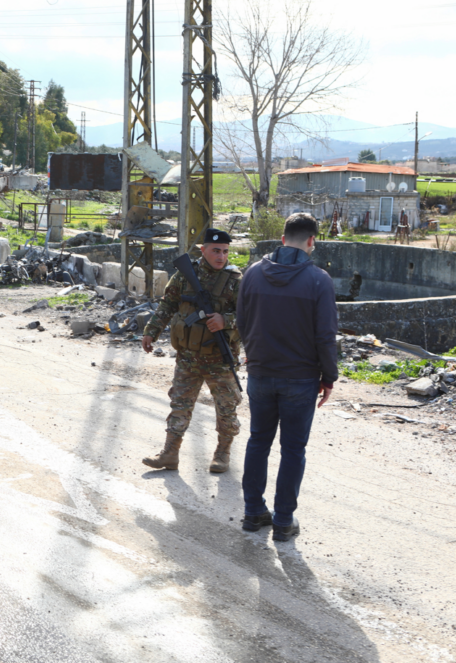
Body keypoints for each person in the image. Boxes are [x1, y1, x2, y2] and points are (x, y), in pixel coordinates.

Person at [237, 212, 338, 542]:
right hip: (300, 378)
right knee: (293, 449)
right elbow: (325, 336)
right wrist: (329, 377)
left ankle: (253, 512)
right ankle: (283, 520)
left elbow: (242, 322)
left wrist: (255, 355)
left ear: (282, 239)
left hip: (260, 373)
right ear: (312, 241)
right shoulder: (319, 280)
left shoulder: (252, 273)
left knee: (258, 441)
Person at [141, 229, 242, 473]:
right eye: (215, 251)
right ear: (203, 250)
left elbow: (252, 315)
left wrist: (226, 320)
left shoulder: (236, 280)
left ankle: (222, 454)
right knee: (180, 405)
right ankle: (170, 454)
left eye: (225, 251)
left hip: (220, 359)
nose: (221, 256)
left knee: (226, 409)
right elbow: (168, 304)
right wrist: (151, 331)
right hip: (188, 357)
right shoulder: (185, 275)